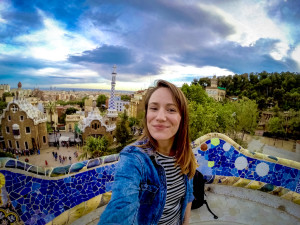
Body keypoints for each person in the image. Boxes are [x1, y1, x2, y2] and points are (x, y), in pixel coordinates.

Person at [99, 80, 197, 225]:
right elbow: (120, 207)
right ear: (146, 115)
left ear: (182, 118)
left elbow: (188, 196)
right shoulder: (134, 159)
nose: (160, 117)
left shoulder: (185, 153)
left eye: (171, 110)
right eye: (154, 108)